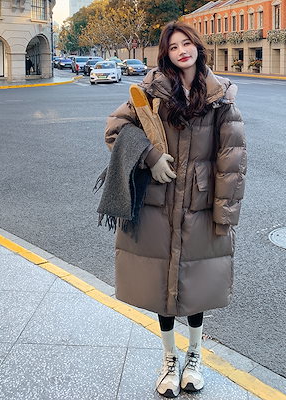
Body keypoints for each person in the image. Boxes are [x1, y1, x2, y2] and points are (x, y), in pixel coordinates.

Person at [103, 21, 246, 398]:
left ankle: (194, 356)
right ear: (165, 53)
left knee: (197, 285)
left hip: (200, 205)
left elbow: (232, 159)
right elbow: (115, 129)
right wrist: (149, 157)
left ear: (197, 46)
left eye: (187, 43)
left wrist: (225, 214)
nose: (182, 51)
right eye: (173, 46)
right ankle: (169, 358)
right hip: (157, 203)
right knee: (160, 287)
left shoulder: (221, 96)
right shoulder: (150, 91)